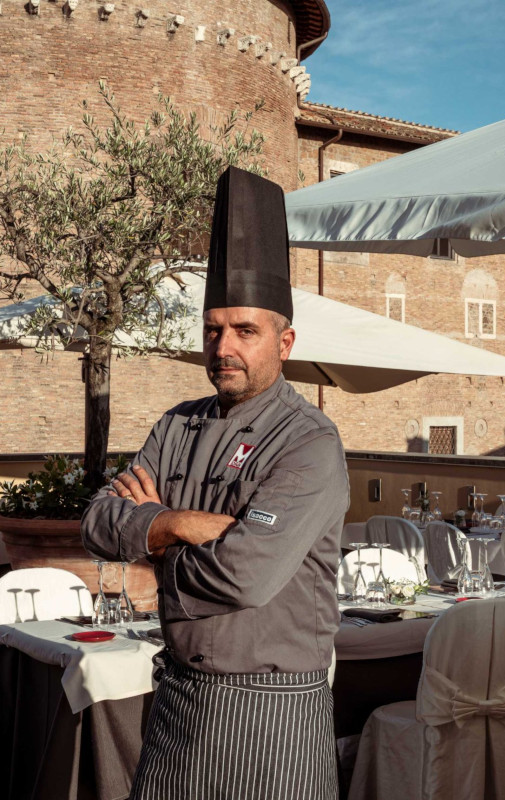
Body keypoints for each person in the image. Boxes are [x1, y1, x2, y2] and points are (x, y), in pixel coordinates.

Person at [81, 166, 349, 800]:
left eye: (245, 331)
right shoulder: (178, 425)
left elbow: (245, 575)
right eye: (213, 330)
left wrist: (146, 540)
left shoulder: (309, 441)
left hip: (274, 711)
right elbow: (96, 521)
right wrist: (178, 524)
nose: (223, 346)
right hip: (178, 700)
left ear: (284, 342)